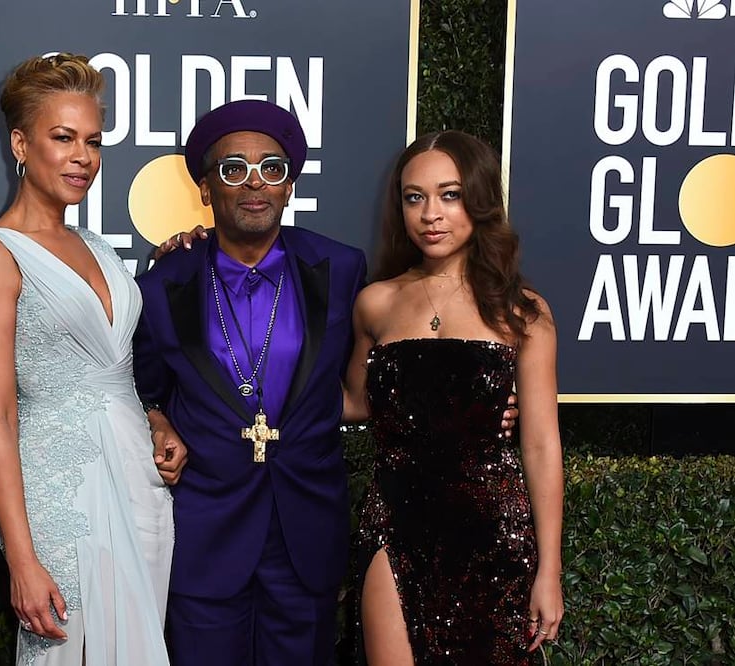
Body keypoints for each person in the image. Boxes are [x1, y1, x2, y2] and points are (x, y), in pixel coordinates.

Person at [0, 54, 179, 666]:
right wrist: (21, 559)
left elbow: (114, 373)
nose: (83, 156)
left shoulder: (98, 247)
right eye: (63, 138)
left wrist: (157, 421)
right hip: (60, 500)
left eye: (93, 141)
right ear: (20, 144)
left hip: (140, 489)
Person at [132, 99, 368, 665]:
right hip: (206, 532)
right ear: (205, 188)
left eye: (271, 168)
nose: (255, 182)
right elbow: (140, 387)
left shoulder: (342, 269)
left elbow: (392, 363)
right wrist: (156, 418)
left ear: (289, 186)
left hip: (305, 531)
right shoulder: (164, 283)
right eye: (234, 168)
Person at [342, 130, 565, 664]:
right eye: (414, 197)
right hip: (393, 523)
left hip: (493, 534)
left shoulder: (521, 313)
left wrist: (549, 569)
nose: (430, 214)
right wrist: (253, 374)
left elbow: (540, 446)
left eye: (450, 195)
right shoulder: (376, 303)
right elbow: (352, 402)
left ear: (479, 200)